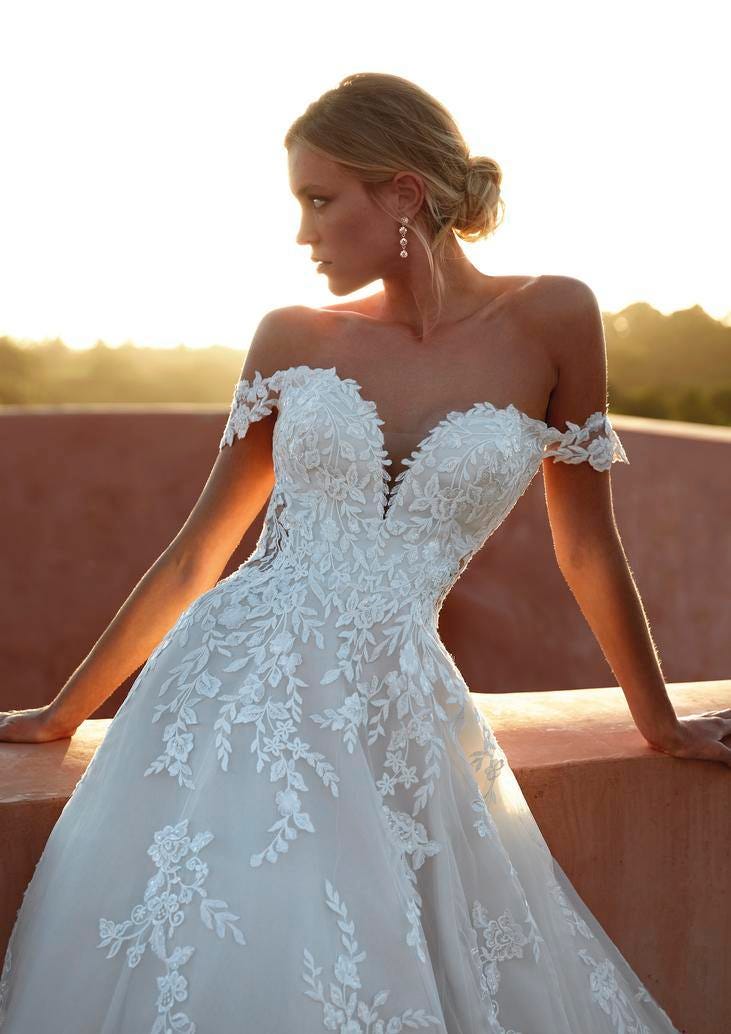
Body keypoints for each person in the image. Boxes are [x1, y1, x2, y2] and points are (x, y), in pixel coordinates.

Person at [0, 70, 727, 1034]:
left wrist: (661, 722)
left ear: (403, 193)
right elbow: (197, 554)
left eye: (318, 199)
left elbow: (587, 547)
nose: (302, 233)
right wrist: (63, 714)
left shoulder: (554, 317)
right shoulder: (289, 336)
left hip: (394, 700)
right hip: (227, 690)